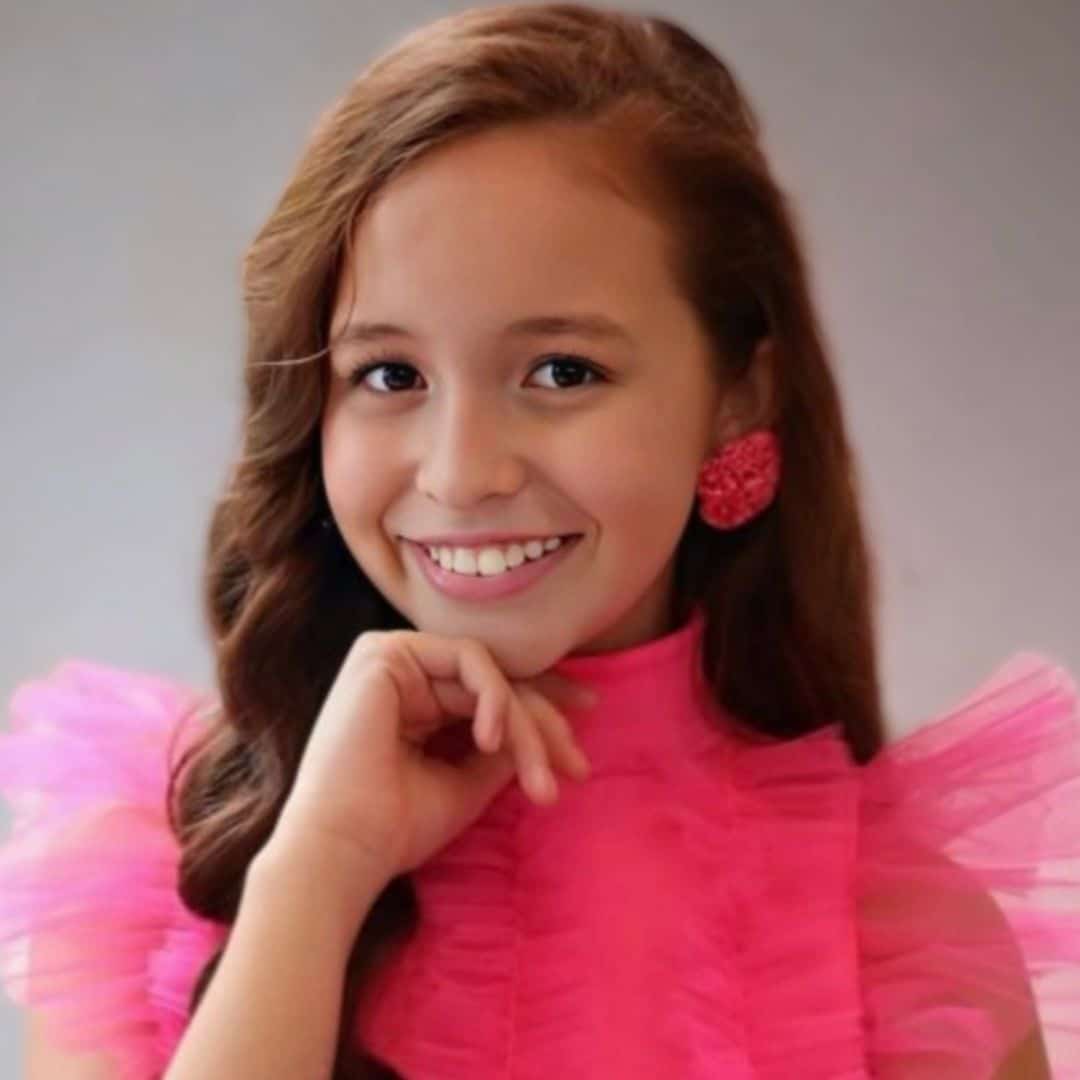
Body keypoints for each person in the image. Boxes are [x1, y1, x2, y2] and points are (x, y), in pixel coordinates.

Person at [0, 4, 1077, 1078]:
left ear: (738, 396)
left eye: (562, 371)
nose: (463, 471)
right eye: (390, 375)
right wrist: (315, 877)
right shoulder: (146, 873)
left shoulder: (902, 938)